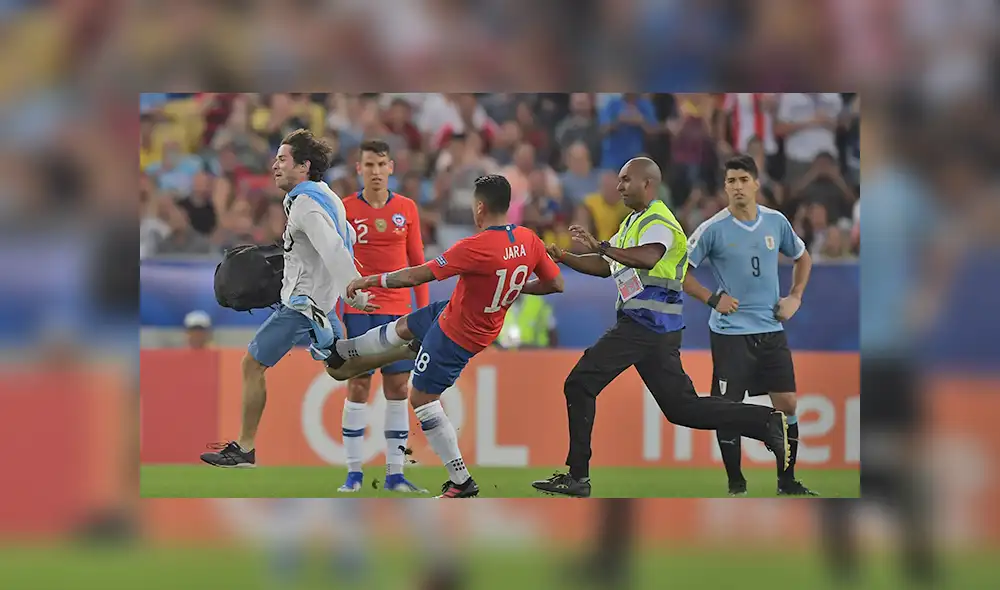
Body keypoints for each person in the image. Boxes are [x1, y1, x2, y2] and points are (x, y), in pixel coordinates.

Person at [531, 157, 790, 498]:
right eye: (619, 180)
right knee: (681, 408)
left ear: (647, 184)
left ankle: (578, 476)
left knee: (579, 383)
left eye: (626, 180)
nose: (620, 186)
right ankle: (764, 422)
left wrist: (604, 246)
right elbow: (606, 266)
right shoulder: (633, 221)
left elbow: (648, 257)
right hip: (655, 329)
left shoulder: (659, 220)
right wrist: (564, 256)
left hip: (644, 324)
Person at [327, 174, 565, 498]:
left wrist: (371, 281)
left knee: (421, 399)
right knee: (404, 327)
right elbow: (556, 284)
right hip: (457, 312)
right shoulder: (529, 240)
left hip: (458, 334)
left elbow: (417, 274)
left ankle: (461, 481)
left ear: (479, 207)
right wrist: (514, 288)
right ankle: (345, 350)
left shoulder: (476, 246)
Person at [200, 129, 380, 468]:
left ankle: (245, 448)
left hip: (301, 306)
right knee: (341, 369)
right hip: (322, 308)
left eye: (283, 159)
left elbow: (332, 247)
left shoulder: (305, 205)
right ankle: (394, 343)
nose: (275, 165)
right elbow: (349, 236)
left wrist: (351, 288)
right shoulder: (328, 197)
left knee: (251, 364)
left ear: (304, 166)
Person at [683, 154, 818, 496]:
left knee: (787, 403)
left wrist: (795, 297)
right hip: (731, 334)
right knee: (728, 410)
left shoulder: (776, 222)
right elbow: (679, 270)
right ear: (724, 187)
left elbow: (802, 257)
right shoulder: (712, 229)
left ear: (756, 183)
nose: (738, 186)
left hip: (771, 329)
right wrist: (712, 299)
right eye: (731, 181)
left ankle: (786, 481)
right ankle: (736, 484)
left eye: (744, 179)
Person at [337, 139, 429, 493]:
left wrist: (423, 317)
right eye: (369, 166)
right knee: (358, 385)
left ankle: (395, 475)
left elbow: (418, 264)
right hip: (359, 310)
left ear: (391, 167)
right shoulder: (344, 209)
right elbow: (336, 264)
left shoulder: (407, 208)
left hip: (399, 313)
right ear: (358, 169)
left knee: (397, 388)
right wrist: (337, 315)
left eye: (381, 165)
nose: (376, 172)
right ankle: (353, 474)